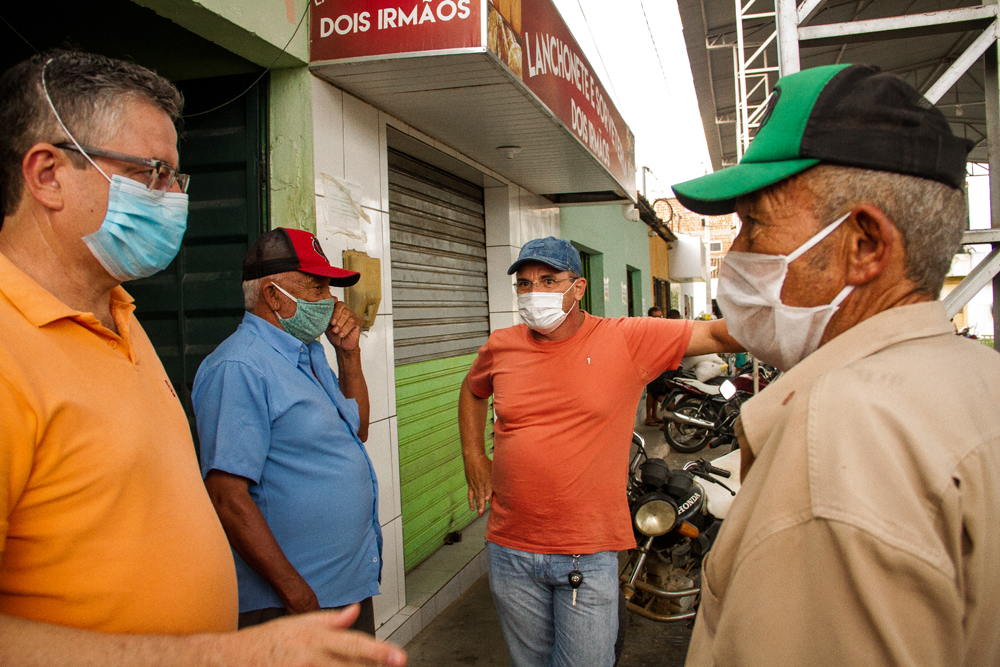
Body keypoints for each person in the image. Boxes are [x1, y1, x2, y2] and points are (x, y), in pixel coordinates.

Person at [0, 50, 405, 667]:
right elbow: (229, 494)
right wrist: (231, 650)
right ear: (48, 175)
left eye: (176, 178)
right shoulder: (11, 351)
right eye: (153, 174)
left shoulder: (122, 320)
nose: (173, 199)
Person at [671, 63, 1000, 666]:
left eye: (754, 223)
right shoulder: (979, 380)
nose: (736, 254)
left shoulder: (842, 433)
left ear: (865, 245)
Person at [459, 236, 741, 667]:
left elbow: (720, 334)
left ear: (579, 287)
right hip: (510, 550)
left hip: (586, 553)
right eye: (525, 284)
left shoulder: (626, 338)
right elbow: (472, 389)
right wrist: (473, 455)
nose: (534, 293)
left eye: (548, 280)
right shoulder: (502, 345)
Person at [193, 228, 381, 634]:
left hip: (341, 589)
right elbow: (227, 497)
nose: (330, 301)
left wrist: (349, 355)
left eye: (329, 288)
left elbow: (359, 429)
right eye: (316, 288)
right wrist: (298, 596)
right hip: (293, 604)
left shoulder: (307, 352)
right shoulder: (239, 367)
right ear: (273, 295)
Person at [643, 306, 666, 424]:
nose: (659, 319)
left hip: (659, 364)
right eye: (656, 317)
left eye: (660, 316)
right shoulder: (648, 329)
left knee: (657, 391)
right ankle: (648, 417)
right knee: (651, 392)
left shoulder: (660, 329)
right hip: (650, 364)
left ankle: (654, 415)